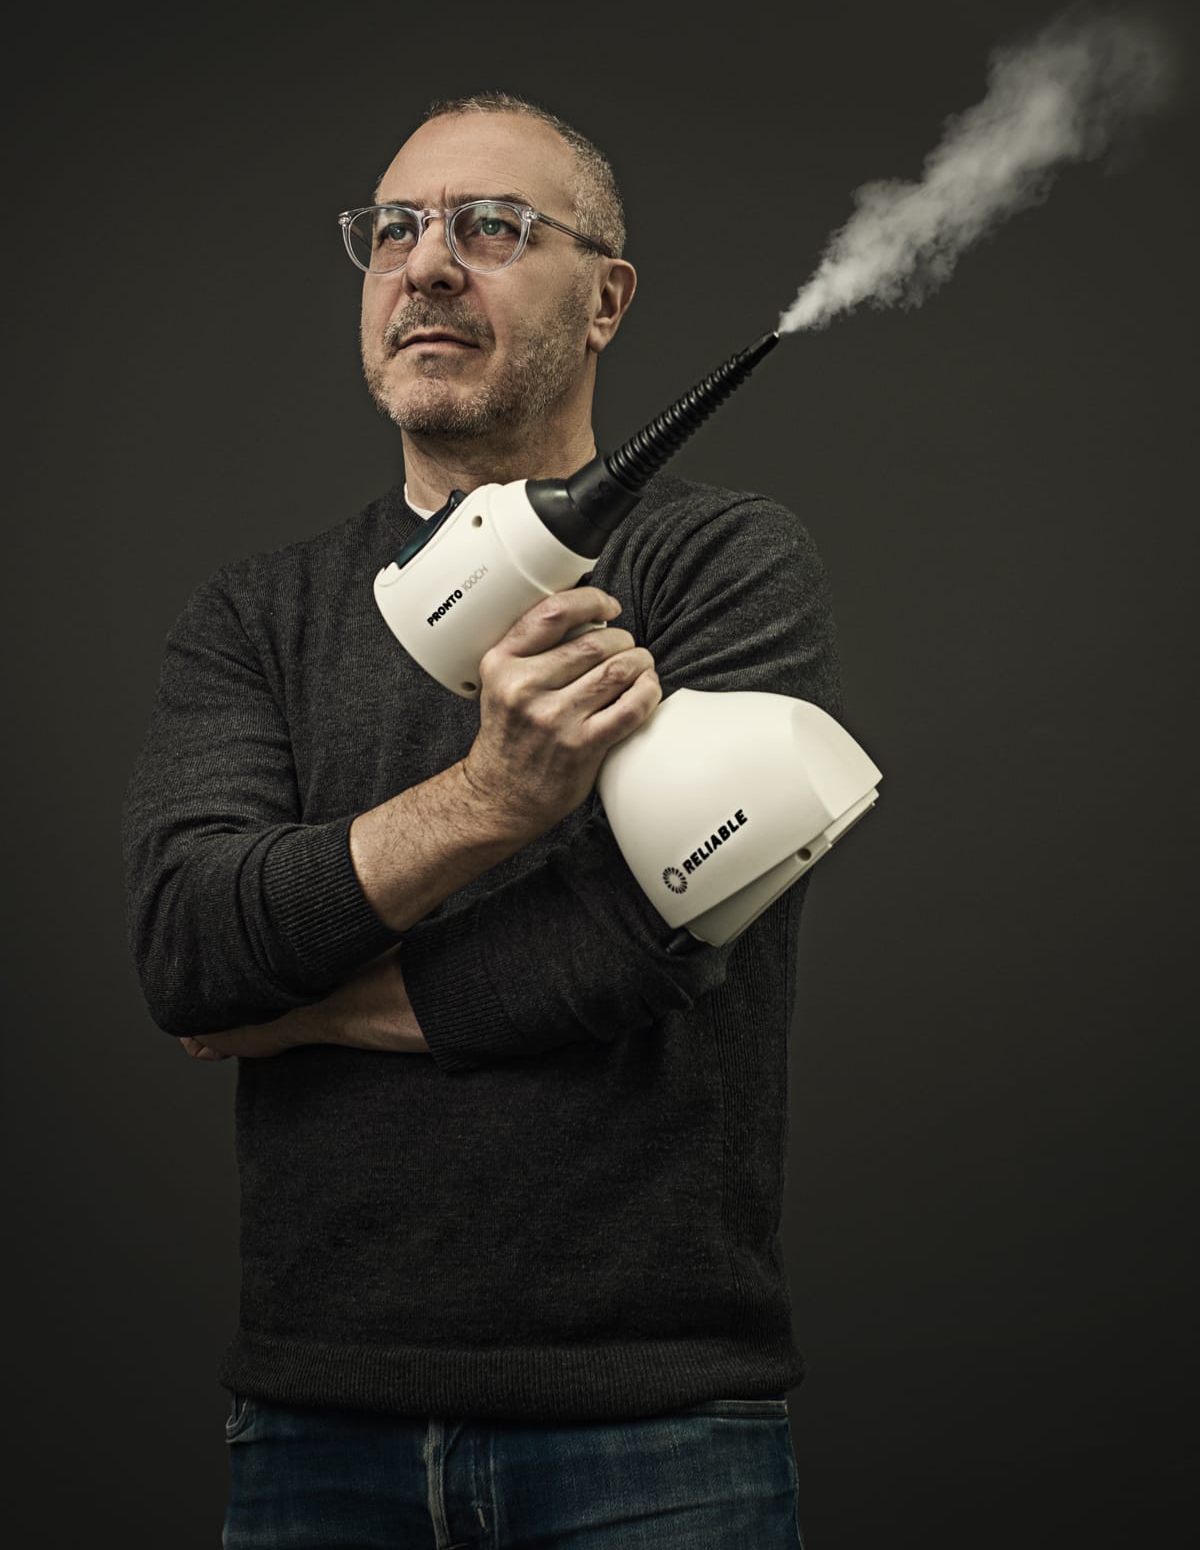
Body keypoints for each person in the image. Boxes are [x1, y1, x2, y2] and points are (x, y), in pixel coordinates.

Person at [122, 92, 842, 1549]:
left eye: (493, 227)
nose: (428, 263)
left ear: (606, 300)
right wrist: (493, 801)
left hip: (658, 1433)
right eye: (394, 229)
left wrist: (293, 1010)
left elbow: (638, 951)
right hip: (315, 1424)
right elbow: (192, 953)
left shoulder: (718, 564)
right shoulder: (254, 618)